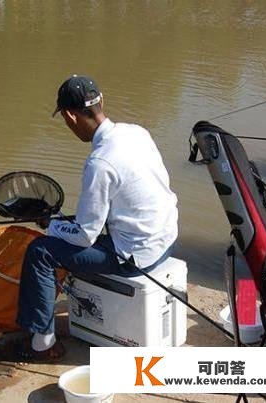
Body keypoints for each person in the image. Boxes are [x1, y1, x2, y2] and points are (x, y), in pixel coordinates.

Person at [15, 75, 178, 360]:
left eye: (66, 121)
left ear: (70, 116)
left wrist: (51, 225)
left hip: (135, 256)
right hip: (166, 239)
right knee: (62, 232)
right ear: (102, 101)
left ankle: (43, 344)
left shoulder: (100, 162)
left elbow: (84, 235)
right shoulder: (137, 132)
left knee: (40, 253)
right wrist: (60, 223)